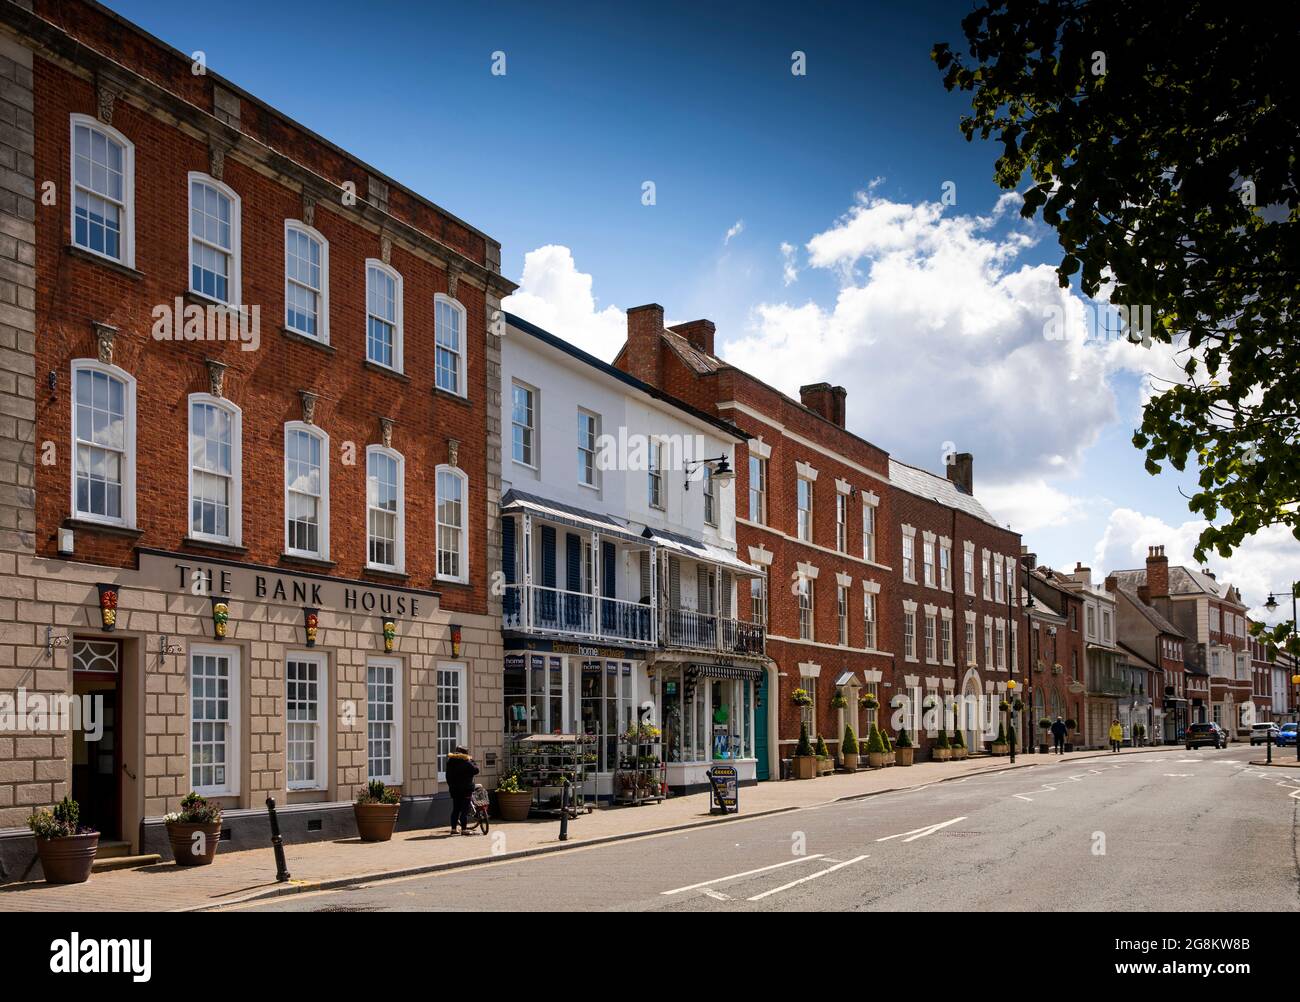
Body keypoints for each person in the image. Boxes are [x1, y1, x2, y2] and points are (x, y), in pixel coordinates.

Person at [445, 745, 479, 835]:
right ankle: (464, 829)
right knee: (464, 810)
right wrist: (471, 761)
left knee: (456, 809)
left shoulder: (450, 762)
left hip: (454, 789)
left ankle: (453, 829)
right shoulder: (467, 762)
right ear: (466, 753)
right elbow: (476, 770)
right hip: (466, 789)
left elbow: (447, 776)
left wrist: (451, 785)